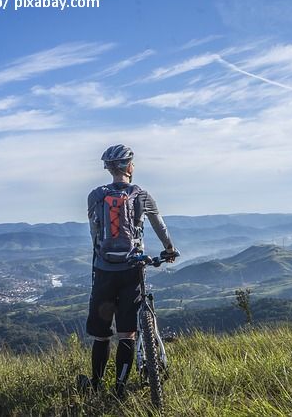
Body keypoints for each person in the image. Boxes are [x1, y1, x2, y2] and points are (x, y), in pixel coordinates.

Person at [84, 144, 177, 398]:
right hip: (132, 270)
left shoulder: (95, 196)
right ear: (129, 166)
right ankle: (120, 387)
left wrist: (101, 257)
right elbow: (160, 227)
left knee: (102, 336)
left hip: (103, 270)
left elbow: (94, 233)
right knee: (128, 332)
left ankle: (94, 385)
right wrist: (170, 249)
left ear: (109, 168)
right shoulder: (142, 195)